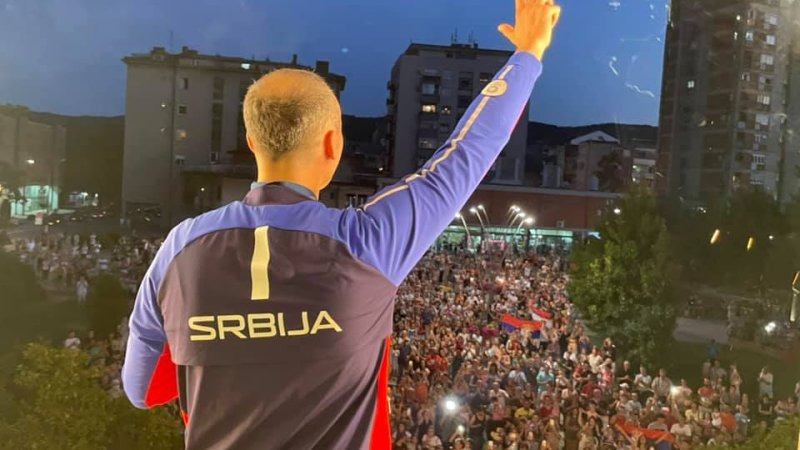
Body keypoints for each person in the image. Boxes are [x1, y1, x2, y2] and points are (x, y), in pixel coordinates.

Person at [120, 1, 561, 449]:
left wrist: (226, 341)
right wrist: (528, 53)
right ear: (334, 144)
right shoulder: (366, 243)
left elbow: (142, 390)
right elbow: (465, 155)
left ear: (252, 143)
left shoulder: (179, 249)